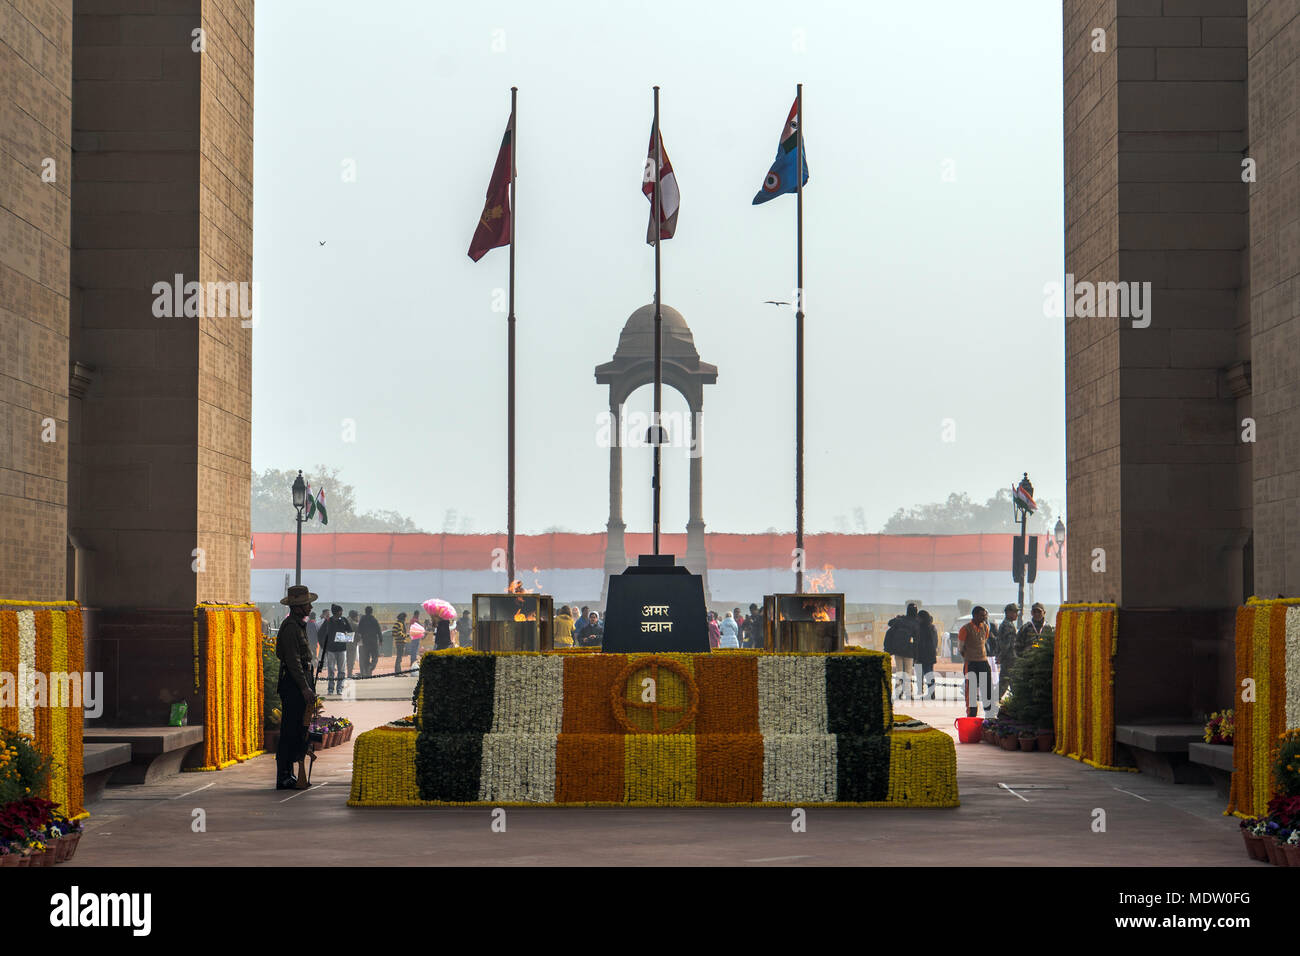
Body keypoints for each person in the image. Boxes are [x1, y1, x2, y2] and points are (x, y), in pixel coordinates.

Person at [275, 584, 318, 790]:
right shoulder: (291, 627)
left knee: (298, 729)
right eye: (306, 604)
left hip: (299, 681)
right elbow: (292, 661)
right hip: (293, 684)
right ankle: (284, 775)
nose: (310, 607)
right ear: (297, 607)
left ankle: (290, 773)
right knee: (290, 730)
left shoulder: (297, 624)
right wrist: (304, 687)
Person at [959, 605, 996, 718]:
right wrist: (969, 657)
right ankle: (972, 715)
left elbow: (985, 640)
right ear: (974, 615)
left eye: (985, 615)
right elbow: (961, 648)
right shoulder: (965, 629)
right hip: (971, 663)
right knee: (971, 691)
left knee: (987, 689)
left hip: (983, 662)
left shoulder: (985, 627)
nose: (984, 617)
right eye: (981, 615)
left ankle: (989, 715)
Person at [883, 604, 919, 700]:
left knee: (899, 671)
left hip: (898, 650)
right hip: (909, 652)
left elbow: (890, 623)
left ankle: (898, 692)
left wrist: (898, 617)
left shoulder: (900, 620)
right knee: (908, 673)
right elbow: (917, 640)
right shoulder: (916, 623)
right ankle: (908, 693)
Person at [317, 604, 353, 695]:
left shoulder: (344, 621)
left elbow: (350, 631)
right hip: (331, 650)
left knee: (341, 670)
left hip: (342, 649)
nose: (342, 613)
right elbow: (320, 633)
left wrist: (346, 638)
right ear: (337, 612)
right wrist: (323, 645)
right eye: (341, 611)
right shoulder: (328, 621)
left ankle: (339, 688)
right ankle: (330, 688)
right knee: (331, 670)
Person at [995, 603, 1020, 700]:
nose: (1016, 615)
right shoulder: (1008, 625)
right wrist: (1001, 656)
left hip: (1009, 658)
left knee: (1010, 681)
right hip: (1009, 658)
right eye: (1014, 612)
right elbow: (1006, 644)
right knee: (1005, 681)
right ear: (1008, 613)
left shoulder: (1007, 624)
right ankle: (994, 702)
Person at [914, 609, 939, 700]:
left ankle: (930, 693)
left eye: (918, 617)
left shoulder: (921, 628)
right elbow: (935, 641)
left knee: (927, 673)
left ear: (922, 618)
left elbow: (920, 643)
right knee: (929, 673)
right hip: (931, 654)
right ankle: (931, 692)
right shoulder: (932, 627)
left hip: (923, 654)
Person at [357, 606, 382, 678]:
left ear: (365, 611)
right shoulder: (374, 620)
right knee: (375, 657)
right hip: (373, 641)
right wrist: (380, 640)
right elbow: (379, 630)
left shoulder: (362, 620)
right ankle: (371, 667)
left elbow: (359, 630)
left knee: (366, 657)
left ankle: (368, 672)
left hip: (365, 642)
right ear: (371, 612)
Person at [345, 609, 360, 678]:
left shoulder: (345, 621)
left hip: (345, 643)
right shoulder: (354, 624)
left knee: (347, 659)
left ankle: (348, 673)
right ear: (354, 617)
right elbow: (359, 635)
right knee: (351, 660)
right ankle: (349, 674)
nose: (358, 618)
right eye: (357, 616)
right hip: (351, 644)